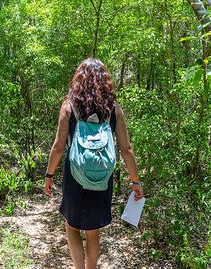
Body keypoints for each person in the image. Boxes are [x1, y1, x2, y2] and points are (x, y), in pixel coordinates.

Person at [43, 58, 144, 269]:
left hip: (75, 175)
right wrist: (135, 180)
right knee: (93, 232)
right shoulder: (113, 108)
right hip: (102, 177)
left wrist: (49, 175)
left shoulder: (69, 105)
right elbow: (126, 149)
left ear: (78, 79)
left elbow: (58, 147)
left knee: (72, 227)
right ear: (104, 80)